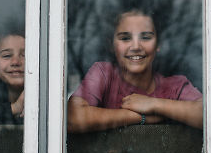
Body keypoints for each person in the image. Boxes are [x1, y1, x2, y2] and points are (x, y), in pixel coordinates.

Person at [67, 9, 203, 133]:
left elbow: (209, 116)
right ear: (112, 45)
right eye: (125, 38)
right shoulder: (104, 74)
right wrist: (140, 117)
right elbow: (73, 118)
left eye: (146, 37)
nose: (136, 46)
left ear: (158, 44)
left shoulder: (175, 87)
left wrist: (153, 104)